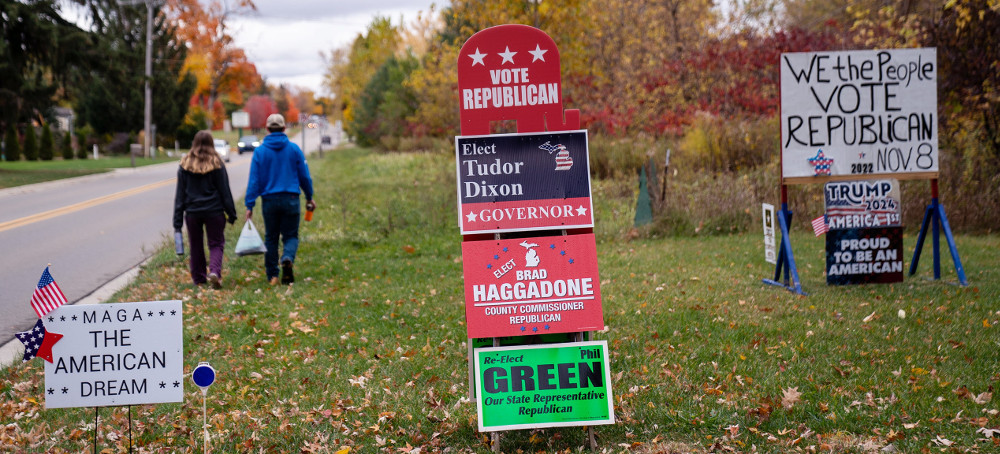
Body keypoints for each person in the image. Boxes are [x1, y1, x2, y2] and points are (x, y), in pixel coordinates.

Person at [245, 113, 316, 285]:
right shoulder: (294, 149)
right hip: (291, 198)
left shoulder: (260, 152)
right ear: (284, 128)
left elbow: (255, 180)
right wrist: (309, 196)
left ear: (268, 129)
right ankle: (287, 257)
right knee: (291, 235)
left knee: (271, 237)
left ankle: (273, 276)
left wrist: (250, 204)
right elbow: (304, 177)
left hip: (269, 200)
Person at [173, 130, 237, 288]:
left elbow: (179, 195)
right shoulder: (217, 163)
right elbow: (224, 190)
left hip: (192, 213)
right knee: (216, 243)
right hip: (214, 211)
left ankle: (199, 279)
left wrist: (177, 221)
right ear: (211, 144)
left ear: (194, 143)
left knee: (195, 245)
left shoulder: (185, 164)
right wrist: (231, 213)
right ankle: (214, 271)